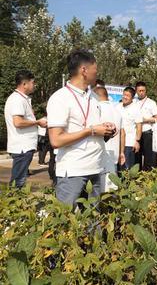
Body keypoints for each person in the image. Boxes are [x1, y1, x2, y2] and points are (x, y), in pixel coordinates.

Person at [47, 49, 115, 207]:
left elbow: (93, 128)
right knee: (66, 222)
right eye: (95, 69)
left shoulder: (93, 97)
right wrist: (90, 130)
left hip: (96, 167)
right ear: (84, 70)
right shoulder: (60, 98)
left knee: (93, 222)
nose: (97, 73)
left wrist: (106, 129)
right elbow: (56, 140)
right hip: (73, 171)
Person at [4, 70, 47, 188]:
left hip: (23, 146)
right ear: (24, 84)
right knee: (18, 180)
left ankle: (14, 202)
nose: (34, 85)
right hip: (22, 147)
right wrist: (37, 122)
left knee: (19, 178)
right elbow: (18, 122)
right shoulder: (18, 99)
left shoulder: (20, 99)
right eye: (32, 82)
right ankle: (13, 203)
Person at [94, 86, 124, 192]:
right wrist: (121, 152)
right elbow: (122, 133)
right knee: (111, 186)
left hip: (100, 153)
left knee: (99, 189)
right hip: (114, 153)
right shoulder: (117, 111)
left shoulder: (97, 108)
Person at [135, 81, 157, 171]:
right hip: (136, 132)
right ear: (136, 91)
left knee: (148, 155)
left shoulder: (151, 102)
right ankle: (137, 174)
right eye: (139, 91)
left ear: (146, 91)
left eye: (143, 90)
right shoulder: (134, 102)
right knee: (136, 155)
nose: (141, 92)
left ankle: (147, 175)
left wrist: (145, 120)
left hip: (147, 132)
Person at [116, 87, 142, 170]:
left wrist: (137, 141)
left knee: (127, 167)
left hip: (129, 143)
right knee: (117, 167)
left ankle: (128, 183)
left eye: (127, 95)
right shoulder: (117, 107)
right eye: (124, 95)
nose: (125, 97)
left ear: (132, 98)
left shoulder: (136, 109)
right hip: (117, 142)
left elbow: (139, 126)